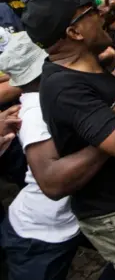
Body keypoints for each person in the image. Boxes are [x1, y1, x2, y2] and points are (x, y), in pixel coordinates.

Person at [21, 0, 115, 279]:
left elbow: (99, 104)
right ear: (74, 33)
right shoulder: (64, 87)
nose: (104, 10)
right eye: (91, 11)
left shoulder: (83, 68)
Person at [0, 32, 81, 280]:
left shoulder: (48, 99)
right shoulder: (36, 113)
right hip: (38, 238)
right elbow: (52, 182)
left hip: (55, 226)